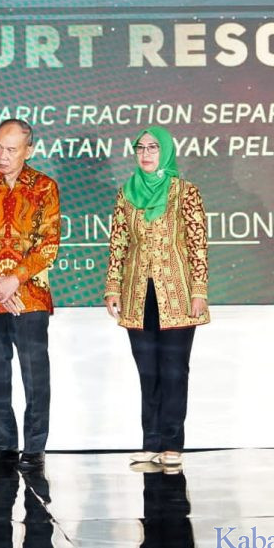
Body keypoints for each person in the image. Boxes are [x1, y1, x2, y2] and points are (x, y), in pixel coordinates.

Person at [104, 125, 209, 468]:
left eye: (153, 147)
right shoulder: (127, 193)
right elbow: (119, 243)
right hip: (138, 293)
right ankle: (151, 442)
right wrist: (113, 287)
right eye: (140, 148)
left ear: (165, 152)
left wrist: (199, 290)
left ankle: (172, 445)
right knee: (147, 371)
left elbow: (197, 244)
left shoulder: (185, 192)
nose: (146, 154)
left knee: (174, 371)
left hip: (177, 293)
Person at [0, 119, 61, 473]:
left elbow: (48, 245)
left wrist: (15, 280)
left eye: (11, 150)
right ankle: (2, 447)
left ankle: (34, 449)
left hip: (30, 296)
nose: (2, 156)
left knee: (35, 375)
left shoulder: (45, 187)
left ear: (28, 151)